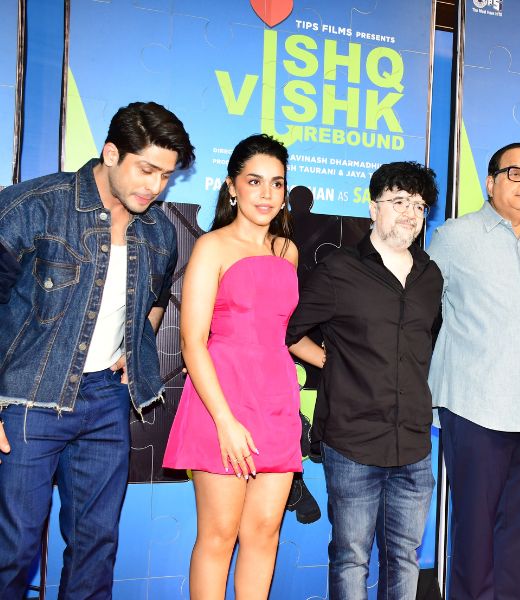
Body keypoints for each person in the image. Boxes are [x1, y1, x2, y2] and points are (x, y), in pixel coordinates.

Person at [0, 101, 194, 597]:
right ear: (111, 153)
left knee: (96, 546)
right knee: (14, 548)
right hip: (28, 399)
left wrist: (135, 343)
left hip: (107, 401)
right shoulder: (35, 205)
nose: (155, 186)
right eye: (146, 169)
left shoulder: (158, 231)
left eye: (166, 176)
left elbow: (154, 300)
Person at [161, 133, 319, 598]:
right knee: (219, 535)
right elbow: (192, 342)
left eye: (277, 183)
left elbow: (283, 333)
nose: (267, 194)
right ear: (232, 187)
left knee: (265, 534)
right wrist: (225, 421)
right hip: (221, 402)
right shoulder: (212, 246)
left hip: (276, 403)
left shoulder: (287, 251)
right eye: (254, 181)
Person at [286, 161, 442, 600]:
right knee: (351, 557)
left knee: (405, 557)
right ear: (374, 208)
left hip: (413, 444)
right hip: (352, 442)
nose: (410, 213)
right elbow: (290, 332)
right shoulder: (339, 269)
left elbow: (425, 345)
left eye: (419, 206)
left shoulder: (430, 276)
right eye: (399, 202)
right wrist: (333, 362)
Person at [428, 142, 520, 598]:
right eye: (515, 173)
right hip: (477, 409)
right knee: (475, 536)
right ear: (491, 183)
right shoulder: (454, 237)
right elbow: (422, 313)